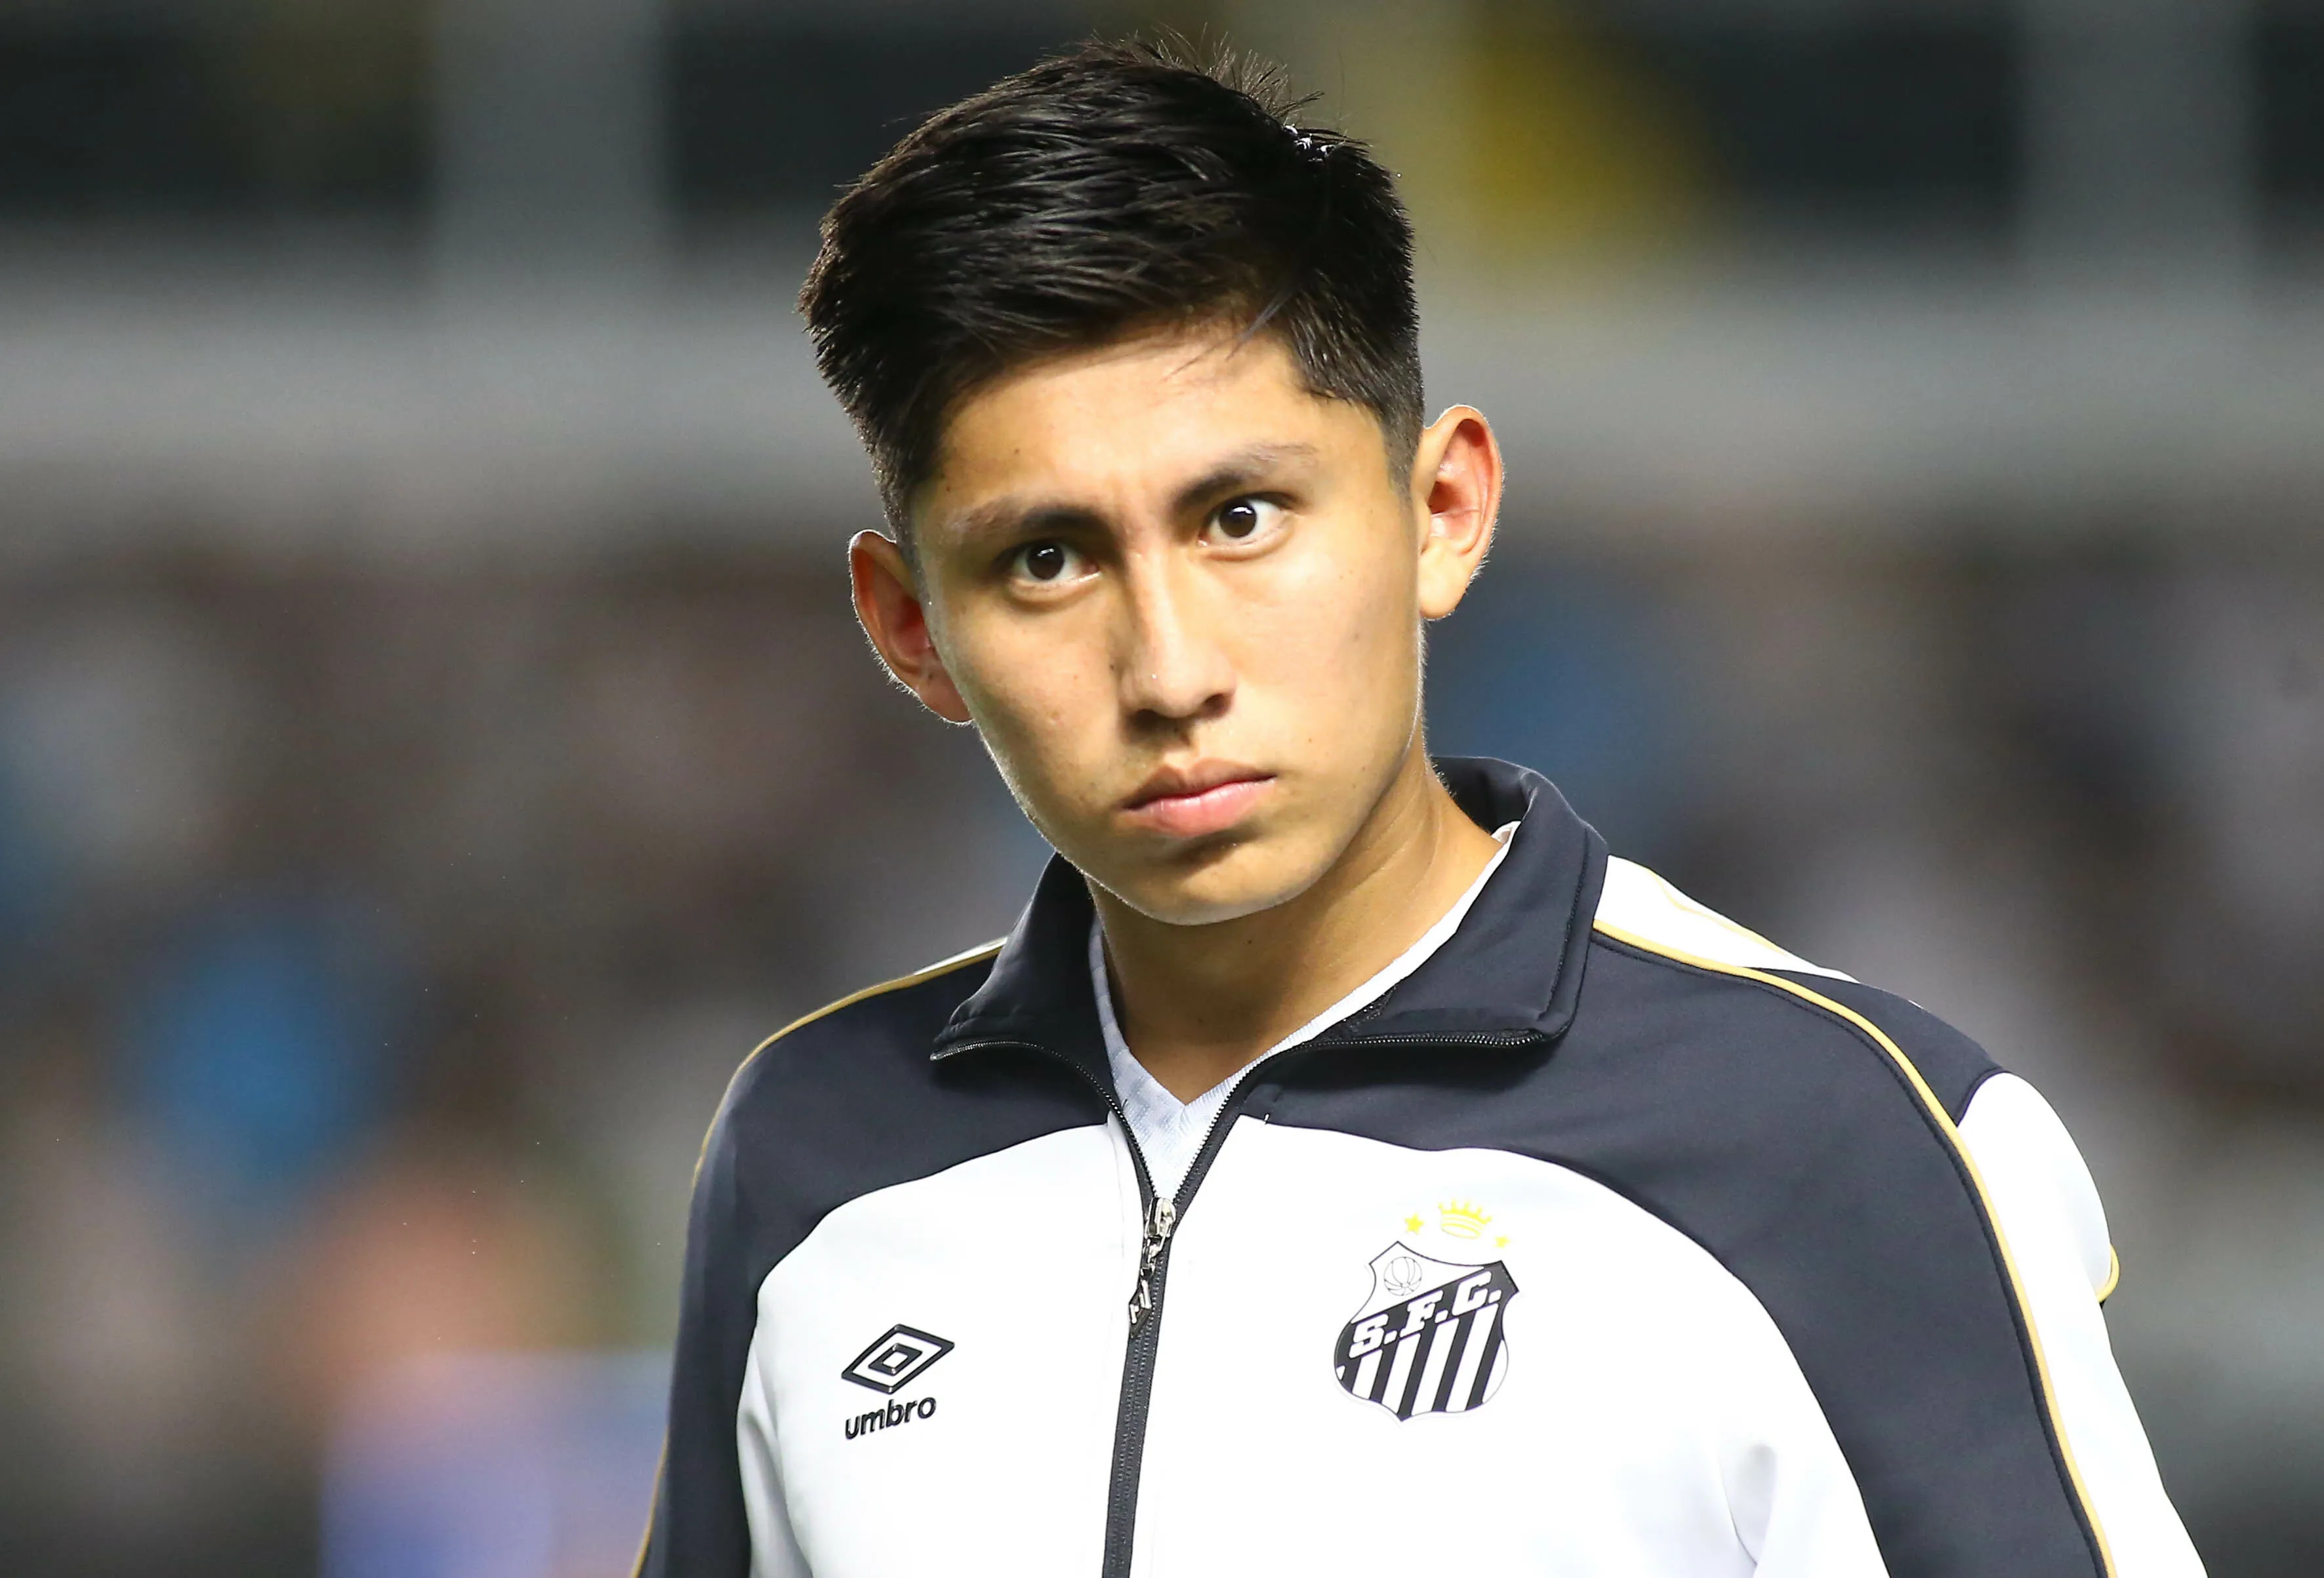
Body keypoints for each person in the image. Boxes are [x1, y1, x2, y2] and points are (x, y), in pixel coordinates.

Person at [636, 39, 2202, 1578]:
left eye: (1240, 518)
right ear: (912, 632)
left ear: (1441, 512)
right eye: (1046, 559)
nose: (1168, 669)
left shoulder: (1835, 1137)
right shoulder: (815, 1157)